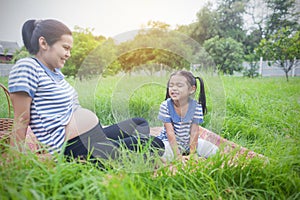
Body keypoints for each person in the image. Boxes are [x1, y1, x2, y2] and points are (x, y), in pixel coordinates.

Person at [8, 19, 164, 166]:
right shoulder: (27, 66)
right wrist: (15, 159)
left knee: (139, 123)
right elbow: (21, 118)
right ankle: (121, 157)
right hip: (73, 146)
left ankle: (123, 153)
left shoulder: (56, 73)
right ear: (43, 43)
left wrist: (96, 126)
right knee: (154, 144)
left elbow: (73, 108)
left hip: (92, 135)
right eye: (65, 47)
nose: (69, 54)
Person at [156, 70, 218, 162]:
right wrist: (177, 156)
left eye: (179, 85)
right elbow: (170, 133)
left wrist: (193, 154)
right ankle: (179, 155)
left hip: (189, 143)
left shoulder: (196, 106)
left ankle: (189, 155)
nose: (174, 88)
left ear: (192, 89)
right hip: (170, 142)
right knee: (160, 154)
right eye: (171, 85)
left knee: (215, 151)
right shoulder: (165, 106)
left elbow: (194, 131)